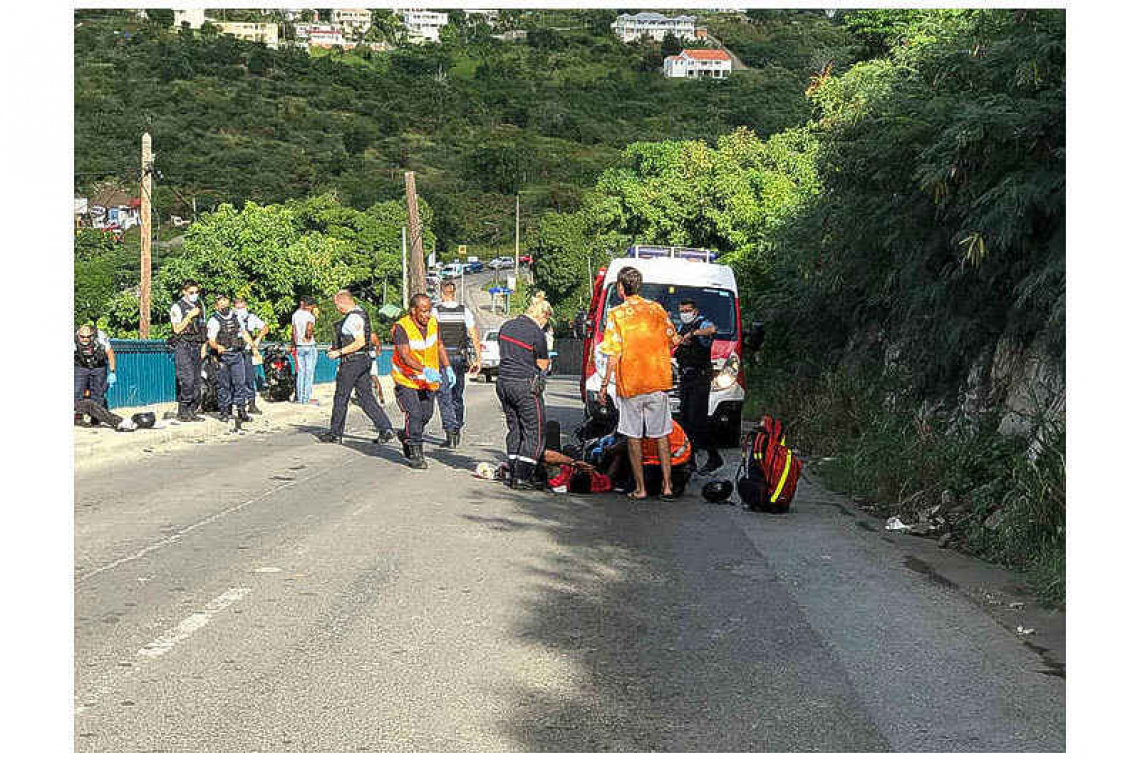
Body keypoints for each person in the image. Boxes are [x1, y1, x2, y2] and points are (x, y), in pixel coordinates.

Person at [597, 266, 678, 501]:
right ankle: (667, 486)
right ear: (639, 286)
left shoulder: (617, 315)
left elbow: (613, 354)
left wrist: (604, 386)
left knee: (633, 437)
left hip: (631, 385)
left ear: (621, 288)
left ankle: (640, 488)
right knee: (661, 435)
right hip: (657, 382)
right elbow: (672, 339)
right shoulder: (657, 310)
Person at [318, 290, 396, 446]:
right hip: (364, 360)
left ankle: (335, 433)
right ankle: (385, 428)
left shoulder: (352, 318)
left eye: (336, 305)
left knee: (341, 397)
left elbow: (359, 342)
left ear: (341, 302)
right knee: (366, 396)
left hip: (352, 362)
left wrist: (338, 352)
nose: (336, 308)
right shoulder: (362, 313)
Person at [495, 292, 553, 490]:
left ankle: (513, 470)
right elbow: (542, 364)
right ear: (543, 315)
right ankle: (523, 476)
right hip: (524, 384)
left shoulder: (506, 326)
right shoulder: (536, 333)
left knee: (515, 428)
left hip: (503, 383)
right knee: (535, 431)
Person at [390, 293, 453, 469]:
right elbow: (404, 355)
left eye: (429, 310)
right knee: (415, 415)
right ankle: (416, 453)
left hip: (427, 381)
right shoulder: (401, 327)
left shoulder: (433, 323)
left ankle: (406, 434)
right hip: (407, 379)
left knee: (426, 415)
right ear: (413, 310)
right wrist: (424, 369)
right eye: (423, 311)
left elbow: (439, 345)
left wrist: (447, 367)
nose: (426, 315)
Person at [673, 297, 724, 475]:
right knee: (685, 420)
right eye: (681, 310)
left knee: (697, 421)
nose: (684, 314)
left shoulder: (702, 323)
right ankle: (690, 460)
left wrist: (694, 334)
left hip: (700, 378)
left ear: (694, 311)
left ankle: (712, 456)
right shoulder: (681, 327)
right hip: (686, 378)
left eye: (687, 310)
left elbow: (713, 329)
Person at [432, 280, 482, 448]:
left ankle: (450, 431)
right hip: (459, 357)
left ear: (441, 293)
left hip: (442, 357)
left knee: (444, 395)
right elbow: (474, 334)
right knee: (457, 395)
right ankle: (457, 428)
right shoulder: (464, 311)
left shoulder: (435, 312)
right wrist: (478, 359)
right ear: (454, 292)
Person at [601, 419, 693, 498]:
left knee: (634, 485)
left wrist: (610, 450)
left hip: (673, 462)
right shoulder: (660, 419)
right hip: (665, 458)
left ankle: (671, 482)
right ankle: (669, 483)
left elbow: (621, 447)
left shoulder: (642, 424)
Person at [206, 294, 253, 423]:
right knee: (224, 385)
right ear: (216, 306)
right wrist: (218, 346)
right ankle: (224, 411)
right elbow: (211, 340)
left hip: (237, 354)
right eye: (221, 304)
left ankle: (242, 411)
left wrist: (253, 347)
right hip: (223, 357)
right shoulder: (214, 320)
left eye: (226, 303)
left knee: (240, 384)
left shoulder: (236, 317)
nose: (224, 306)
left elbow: (244, 333)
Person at [169, 280, 207, 422]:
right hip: (183, 345)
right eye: (191, 292)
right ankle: (183, 409)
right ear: (184, 292)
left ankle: (192, 410)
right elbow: (177, 329)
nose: (195, 295)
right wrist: (189, 316)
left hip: (196, 345)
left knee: (197, 382)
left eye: (197, 292)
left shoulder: (200, 306)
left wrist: (203, 346)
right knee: (188, 379)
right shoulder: (177, 307)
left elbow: (203, 328)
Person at [74, 325, 117, 426]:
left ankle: (96, 418)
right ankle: (78, 417)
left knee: (98, 393)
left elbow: (110, 353)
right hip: (81, 366)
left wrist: (112, 372)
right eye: (82, 337)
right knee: (77, 392)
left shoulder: (100, 337)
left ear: (92, 335)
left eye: (88, 337)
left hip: (99, 366)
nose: (85, 339)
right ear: (78, 335)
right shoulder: (72, 339)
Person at [234, 297, 269, 415]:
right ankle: (237, 405)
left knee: (250, 378)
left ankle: (252, 404)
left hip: (247, 352)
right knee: (236, 380)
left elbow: (265, 328)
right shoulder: (231, 317)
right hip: (235, 352)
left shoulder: (252, 318)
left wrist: (258, 339)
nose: (240, 309)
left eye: (242, 306)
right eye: (238, 307)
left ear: (246, 306)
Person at [291, 297, 318, 405]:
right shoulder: (310, 316)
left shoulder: (295, 315)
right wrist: (308, 336)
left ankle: (299, 398)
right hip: (309, 345)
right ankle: (306, 398)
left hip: (298, 345)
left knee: (301, 372)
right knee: (309, 371)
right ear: (310, 306)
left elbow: (293, 331)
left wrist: (294, 343)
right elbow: (309, 328)